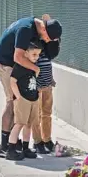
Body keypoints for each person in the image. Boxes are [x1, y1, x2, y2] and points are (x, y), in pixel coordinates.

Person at [0, 16, 62, 157]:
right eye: (47, 38)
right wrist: (35, 69)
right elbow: (17, 57)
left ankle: (14, 143)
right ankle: (4, 146)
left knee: (21, 106)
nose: (46, 41)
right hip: (6, 64)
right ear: (43, 29)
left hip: (17, 66)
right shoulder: (26, 29)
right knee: (12, 103)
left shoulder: (36, 29)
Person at [7, 40, 43, 160]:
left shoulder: (33, 67)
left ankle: (25, 148)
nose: (36, 57)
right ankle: (11, 149)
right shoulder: (20, 66)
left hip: (33, 99)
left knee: (29, 124)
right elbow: (13, 81)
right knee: (19, 124)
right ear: (26, 53)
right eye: (34, 54)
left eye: (38, 55)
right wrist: (18, 97)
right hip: (23, 100)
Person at [32, 14, 61, 154]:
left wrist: (51, 79)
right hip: (36, 85)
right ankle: (37, 142)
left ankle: (47, 139)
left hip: (47, 83)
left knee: (47, 113)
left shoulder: (51, 45)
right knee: (36, 114)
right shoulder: (35, 41)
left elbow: (48, 62)